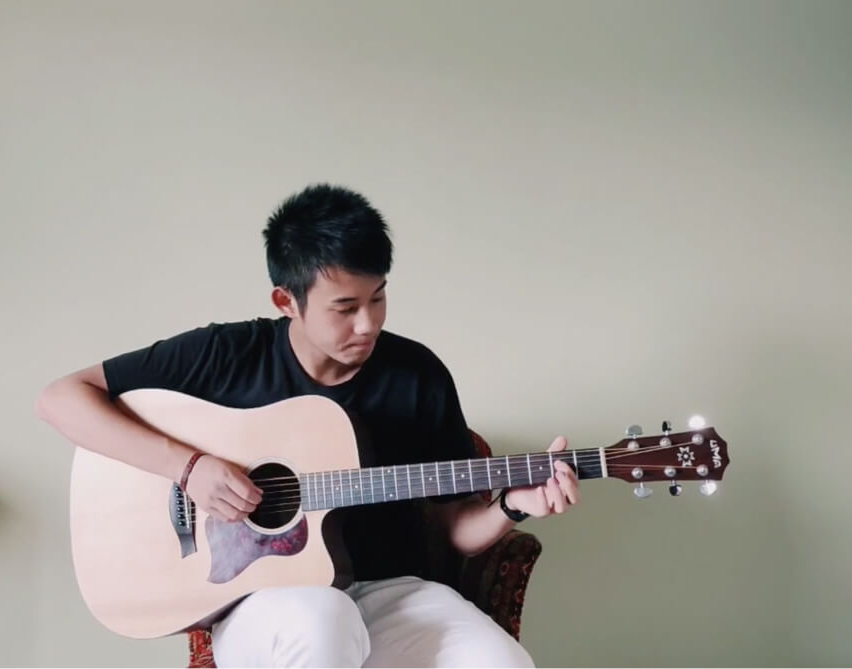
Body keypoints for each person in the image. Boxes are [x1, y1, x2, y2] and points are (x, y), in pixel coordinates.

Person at [36, 183, 580, 667]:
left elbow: (456, 529)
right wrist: (190, 467)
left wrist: (513, 505)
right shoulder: (227, 354)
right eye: (345, 307)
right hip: (264, 604)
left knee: (500, 661)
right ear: (285, 300)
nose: (368, 324)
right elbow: (61, 399)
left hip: (389, 593)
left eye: (379, 297)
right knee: (323, 620)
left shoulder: (418, 374)